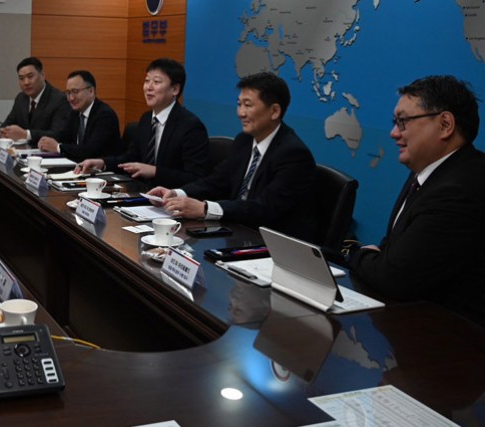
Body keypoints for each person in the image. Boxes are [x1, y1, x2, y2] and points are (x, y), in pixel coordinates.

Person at [346, 75, 485, 326]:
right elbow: (392, 250)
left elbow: (394, 278)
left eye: (403, 121)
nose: (393, 133)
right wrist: (381, 260)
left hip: (452, 336)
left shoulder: (460, 189)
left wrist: (357, 253)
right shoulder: (427, 171)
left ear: (445, 124)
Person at [148, 72, 317, 241]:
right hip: (235, 230)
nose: (241, 113)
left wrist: (206, 209)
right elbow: (216, 181)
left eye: (248, 105)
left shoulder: (293, 154)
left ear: (274, 111)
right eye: (239, 104)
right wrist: (177, 193)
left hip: (269, 241)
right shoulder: (244, 141)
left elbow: (264, 208)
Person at [76, 58, 210, 188]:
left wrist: (155, 171)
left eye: (156, 82)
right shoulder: (146, 119)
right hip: (142, 192)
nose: (148, 87)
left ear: (175, 89)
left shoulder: (190, 126)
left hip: (171, 198)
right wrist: (102, 163)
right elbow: (130, 159)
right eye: (147, 81)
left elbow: (196, 178)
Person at [37, 70, 122, 162]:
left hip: (100, 169)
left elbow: (90, 151)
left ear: (91, 91)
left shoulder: (105, 116)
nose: (71, 98)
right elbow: (63, 137)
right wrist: (46, 142)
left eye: (75, 91)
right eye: (68, 93)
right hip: (79, 165)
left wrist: (58, 147)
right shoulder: (75, 113)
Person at [0, 57, 69, 146]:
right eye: (21, 78)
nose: (26, 82)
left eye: (30, 76)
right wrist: (4, 131)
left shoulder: (59, 99)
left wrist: (26, 135)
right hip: (22, 151)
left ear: (42, 75)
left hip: (47, 152)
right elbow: (8, 123)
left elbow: (58, 134)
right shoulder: (21, 98)